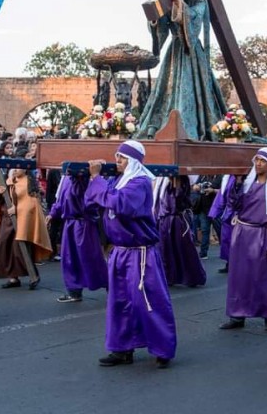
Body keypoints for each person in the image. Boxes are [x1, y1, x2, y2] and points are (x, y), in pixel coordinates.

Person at [84, 140, 177, 369]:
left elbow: (119, 204)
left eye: (122, 157)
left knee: (148, 301)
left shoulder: (140, 183)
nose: (117, 160)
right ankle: (122, 348)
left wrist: (97, 180)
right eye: (116, 156)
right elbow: (92, 201)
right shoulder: (116, 180)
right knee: (120, 303)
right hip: (119, 252)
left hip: (140, 254)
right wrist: (88, 180)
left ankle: (162, 348)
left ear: (133, 161)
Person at [136, 0, 227, 141]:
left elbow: (194, 21)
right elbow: (160, 29)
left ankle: (190, 126)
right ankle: (160, 126)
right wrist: (157, 9)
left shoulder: (197, 2)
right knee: (167, 90)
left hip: (191, 52)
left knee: (191, 86)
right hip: (174, 51)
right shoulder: (168, 4)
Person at [219, 147, 267, 332]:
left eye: (262, 160)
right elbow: (233, 204)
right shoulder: (247, 184)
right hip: (241, 234)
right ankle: (237, 315)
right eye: (256, 160)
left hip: (261, 236)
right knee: (238, 277)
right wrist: (237, 184)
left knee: (262, 278)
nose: (258, 163)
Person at [48, 173, 108, 303]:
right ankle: (74, 291)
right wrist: (53, 213)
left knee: (91, 258)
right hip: (70, 223)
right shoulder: (66, 178)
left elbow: (89, 202)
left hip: (84, 223)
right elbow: (61, 199)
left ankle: (111, 285)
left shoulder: (86, 179)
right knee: (69, 258)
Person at [0, 170, 51, 289]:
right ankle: (13, 278)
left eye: (18, 168)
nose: (16, 170)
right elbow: (1, 201)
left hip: (22, 220)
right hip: (7, 219)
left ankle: (33, 275)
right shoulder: (8, 181)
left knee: (20, 248)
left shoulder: (29, 182)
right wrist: (1, 193)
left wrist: (17, 209)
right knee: (5, 246)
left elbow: (31, 203)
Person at [153, 176, 207, 288]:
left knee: (184, 248)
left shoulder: (181, 180)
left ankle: (192, 277)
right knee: (165, 249)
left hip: (177, 219)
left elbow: (177, 200)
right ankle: (168, 277)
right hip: (163, 219)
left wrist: (175, 184)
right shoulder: (159, 179)